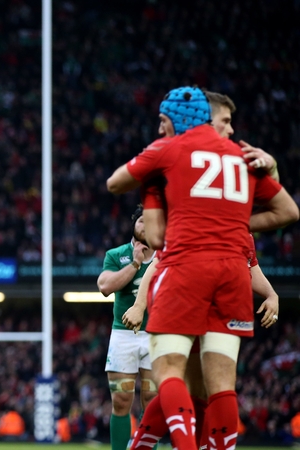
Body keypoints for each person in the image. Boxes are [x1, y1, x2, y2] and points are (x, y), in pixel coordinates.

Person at [106, 86, 298, 450]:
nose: (229, 130)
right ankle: (145, 445)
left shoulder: (172, 157)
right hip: (230, 278)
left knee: (172, 375)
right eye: (225, 122)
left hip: (186, 272)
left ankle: (162, 445)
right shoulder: (240, 161)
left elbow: (156, 240)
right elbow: (286, 213)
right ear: (204, 119)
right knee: (215, 386)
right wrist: (237, 218)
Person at [96, 205, 157, 450]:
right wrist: (134, 263)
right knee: (121, 400)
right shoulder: (116, 254)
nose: (145, 225)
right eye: (141, 220)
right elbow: (105, 287)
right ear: (134, 224)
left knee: (152, 402)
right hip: (123, 334)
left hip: (157, 335)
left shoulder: (168, 254)